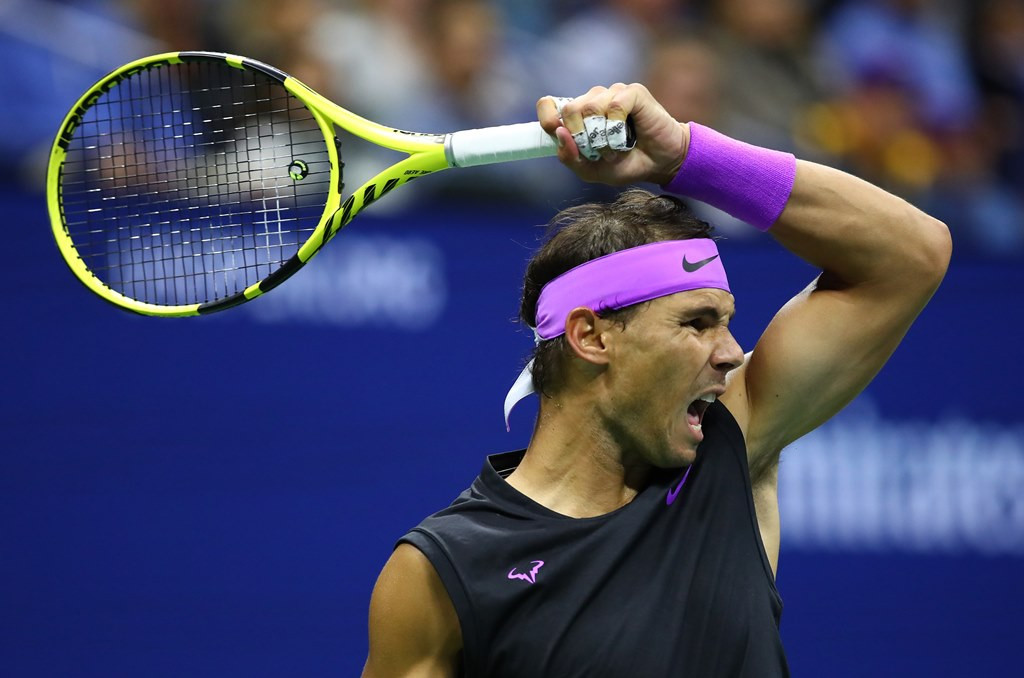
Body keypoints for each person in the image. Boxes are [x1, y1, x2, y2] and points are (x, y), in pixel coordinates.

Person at [360, 83, 951, 677]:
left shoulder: (732, 448)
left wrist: (685, 158)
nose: (730, 354)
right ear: (591, 336)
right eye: (696, 323)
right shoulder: (445, 569)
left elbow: (912, 255)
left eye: (726, 323)